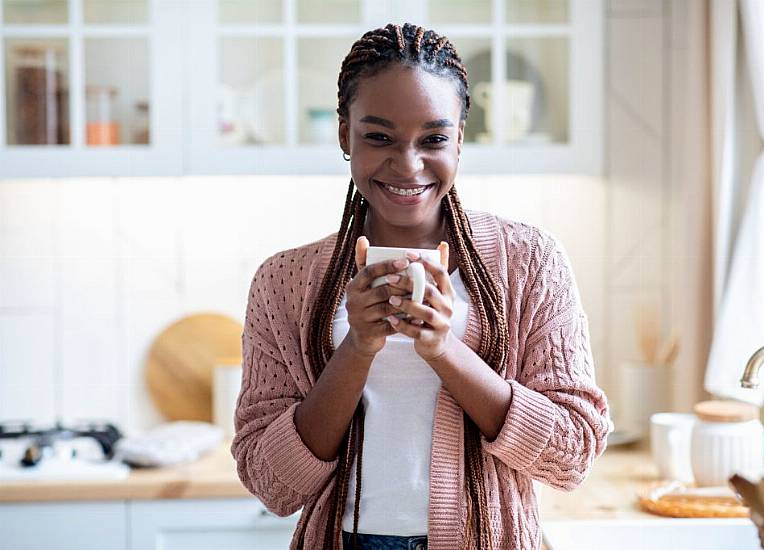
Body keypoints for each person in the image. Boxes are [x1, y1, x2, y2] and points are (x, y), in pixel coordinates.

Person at [232, 23, 611, 550]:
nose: (408, 165)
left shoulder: (529, 262)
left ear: (459, 138)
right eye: (379, 137)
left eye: (433, 139)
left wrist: (444, 348)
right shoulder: (284, 282)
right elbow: (269, 483)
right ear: (345, 135)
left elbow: (573, 453)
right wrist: (356, 349)